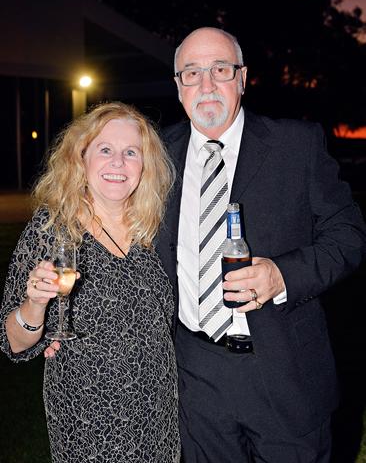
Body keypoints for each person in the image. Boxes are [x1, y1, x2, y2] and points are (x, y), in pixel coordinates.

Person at [155, 27, 366, 462]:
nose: (207, 84)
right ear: (178, 87)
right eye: (191, 73)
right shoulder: (157, 155)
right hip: (196, 375)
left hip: (285, 374)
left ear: (243, 78)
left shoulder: (297, 145)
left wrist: (283, 274)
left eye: (220, 69)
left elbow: (348, 235)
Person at [0, 102, 180, 463]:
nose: (118, 162)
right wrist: (35, 305)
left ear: (145, 166)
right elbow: (12, 343)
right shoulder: (51, 228)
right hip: (87, 419)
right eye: (105, 150)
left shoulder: (157, 229)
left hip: (159, 417)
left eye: (131, 152)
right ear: (81, 159)